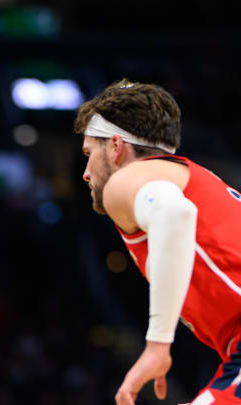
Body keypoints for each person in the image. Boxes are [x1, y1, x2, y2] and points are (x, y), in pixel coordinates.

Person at [76, 79, 241, 405]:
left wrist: (157, 345)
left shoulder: (125, 182)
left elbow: (174, 213)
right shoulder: (194, 179)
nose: (85, 172)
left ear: (114, 146)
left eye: (88, 153)